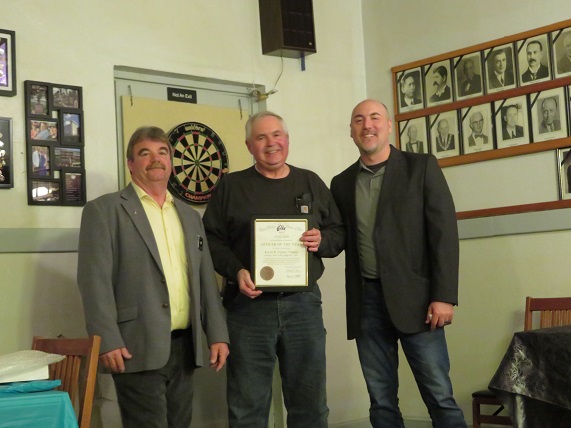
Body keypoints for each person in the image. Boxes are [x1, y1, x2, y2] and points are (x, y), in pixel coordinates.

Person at [77, 126, 229, 428]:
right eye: (144, 153)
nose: (155, 159)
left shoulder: (189, 216)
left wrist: (218, 334)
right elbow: (93, 281)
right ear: (131, 164)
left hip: (185, 347)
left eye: (162, 152)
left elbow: (205, 281)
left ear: (171, 162)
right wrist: (106, 339)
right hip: (135, 345)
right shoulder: (104, 211)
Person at [202, 111, 344, 428]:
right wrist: (236, 270)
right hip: (248, 310)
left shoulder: (311, 182)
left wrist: (322, 240)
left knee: (309, 404)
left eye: (277, 135)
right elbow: (210, 240)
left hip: (303, 307)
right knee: (247, 407)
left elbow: (339, 233)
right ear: (249, 145)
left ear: (287, 140)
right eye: (262, 137)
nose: (271, 143)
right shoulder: (230, 187)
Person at [330, 99, 466, 428]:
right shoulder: (341, 183)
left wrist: (444, 295)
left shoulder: (421, 167)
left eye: (375, 117)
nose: (368, 125)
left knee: (439, 395)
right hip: (367, 304)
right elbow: (337, 237)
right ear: (351, 131)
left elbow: (443, 234)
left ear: (389, 126)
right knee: (381, 399)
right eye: (359, 120)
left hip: (419, 302)